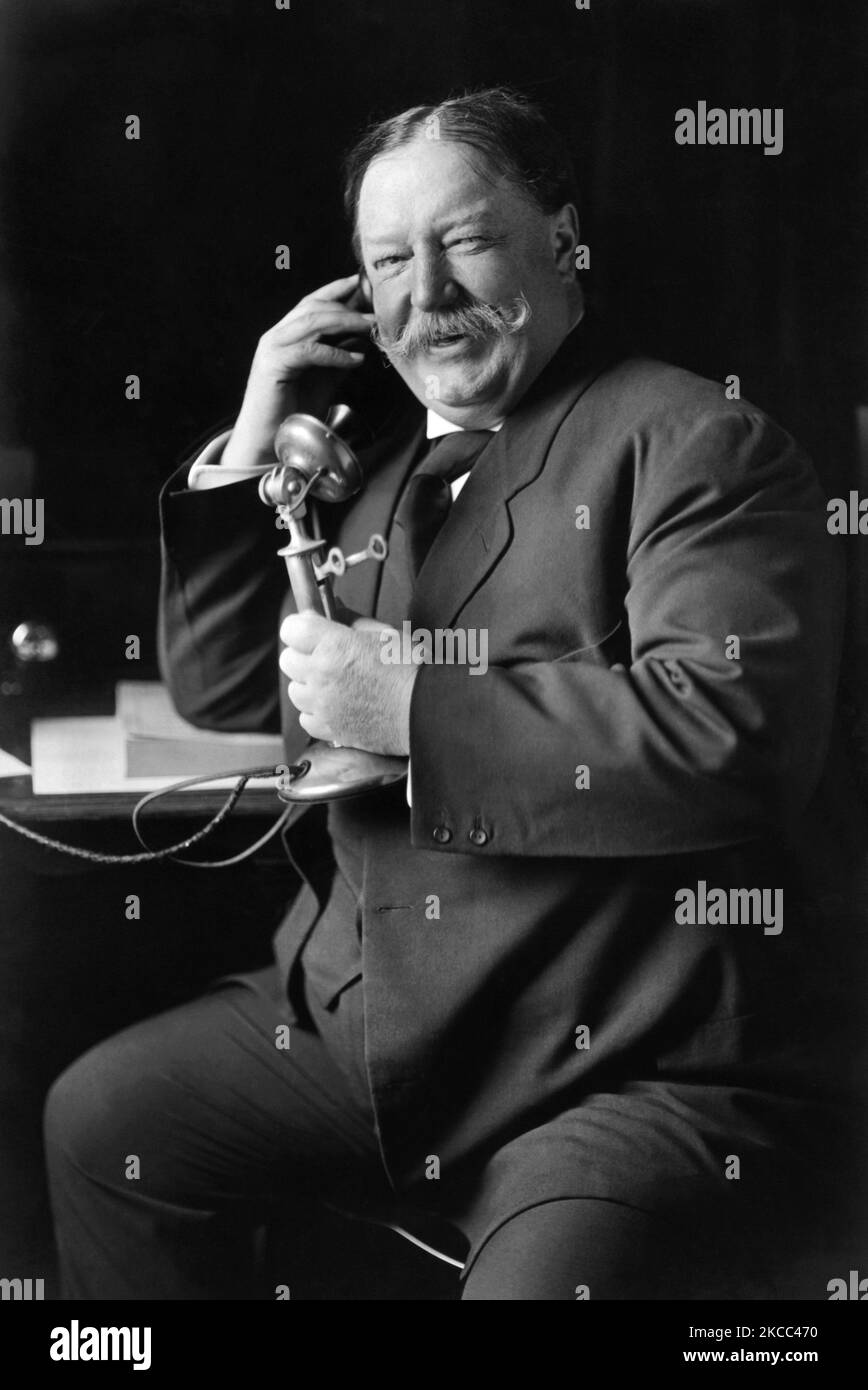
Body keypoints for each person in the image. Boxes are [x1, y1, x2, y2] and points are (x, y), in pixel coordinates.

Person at [44, 86, 864, 1300]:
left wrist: (412, 708)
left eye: (465, 240)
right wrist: (249, 438)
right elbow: (226, 687)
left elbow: (728, 736)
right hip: (373, 1028)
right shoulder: (377, 472)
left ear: (563, 240)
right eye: (387, 261)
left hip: (620, 1059)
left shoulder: (695, 439)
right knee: (103, 1122)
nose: (424, 293)